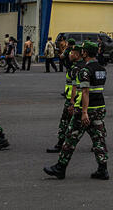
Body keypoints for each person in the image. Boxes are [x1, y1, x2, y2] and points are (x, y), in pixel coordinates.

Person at [44, 41, 109, 180]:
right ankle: (103, 169)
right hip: (99, 108)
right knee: (99, 140)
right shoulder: (101, 69)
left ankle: (60, 168)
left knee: (70, 138)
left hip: (86, 110)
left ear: (85, 53)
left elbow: (85, 91)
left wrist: (84, 112)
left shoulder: (86, 70)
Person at [47, 41, 82, 153]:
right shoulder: (77, 66)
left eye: (72, 53)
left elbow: (75, 86)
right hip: (78, 100)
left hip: (74, 100)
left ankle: (60, 144)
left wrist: (72, 102)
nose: (70, 54)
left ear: (77, 55)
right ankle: (97, 144)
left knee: (65, 122)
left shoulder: (76, 68)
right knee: (88, 124)